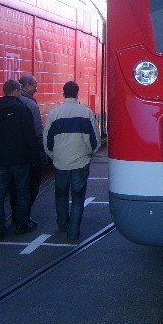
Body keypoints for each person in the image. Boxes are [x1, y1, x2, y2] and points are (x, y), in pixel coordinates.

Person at [0, 80, 40, 239]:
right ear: (15, 91)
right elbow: (30, 135)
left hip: (1, 161)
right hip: (20, 159)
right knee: (22, 192)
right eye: (19, 91)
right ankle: (21, 224)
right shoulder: (23, 109)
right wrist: (36, 157)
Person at [43, 81, 100, 242]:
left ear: (63, 93)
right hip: (81, 161)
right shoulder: (86, 113)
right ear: (77, 93)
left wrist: (54, 155)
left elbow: (47, 141)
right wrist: (89, 153)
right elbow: (95, 140)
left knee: (60, 193)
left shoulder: (54, 114)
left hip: (60, 161)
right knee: (77, 196)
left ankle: (62, 224)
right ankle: (74, 231)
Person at [17, 74, 44, 226]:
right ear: (26, 86)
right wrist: (41, 153)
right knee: (30, 186)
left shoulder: (2, 104)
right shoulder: (31, 105)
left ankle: (11, 220)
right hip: (28, 153)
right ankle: (24, 218)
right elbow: (37, 131)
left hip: (12, 154)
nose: (36, 88)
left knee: (15, 188)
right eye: (34, 85)